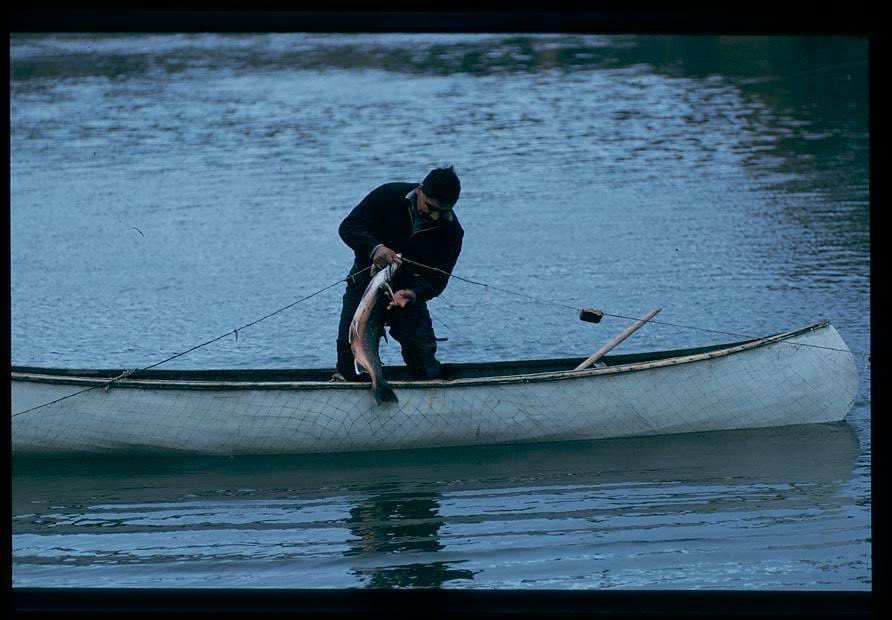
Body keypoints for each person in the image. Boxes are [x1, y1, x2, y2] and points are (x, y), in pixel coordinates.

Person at [335, 166, 463, 382]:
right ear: (420, 190)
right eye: (430, 207)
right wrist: (374, 248)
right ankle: (368, 389)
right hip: (364, 288)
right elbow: (349, 227)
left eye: (442, 211)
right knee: (351, 364)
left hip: (404, 295)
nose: (434, 216)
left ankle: (424, 400)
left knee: (424, 363)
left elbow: (438, 280)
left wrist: (413, 294)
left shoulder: (452, 232)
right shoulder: (388, 196)